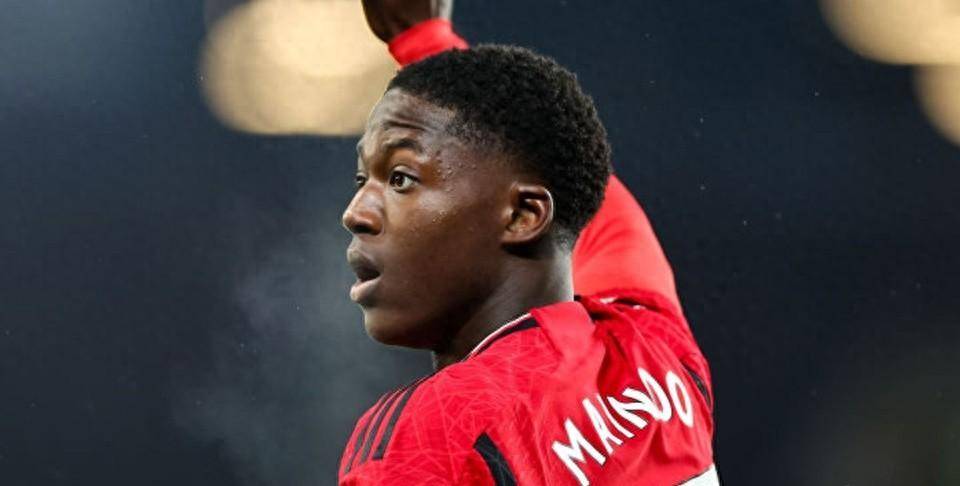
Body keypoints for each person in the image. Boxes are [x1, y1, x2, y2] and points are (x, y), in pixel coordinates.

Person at [339, 1, 717, 484]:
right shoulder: (654, 353)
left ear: (523, 216)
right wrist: (425, 42)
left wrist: (423, 41)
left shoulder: (436, 435)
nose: (356, 213)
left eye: (400, 179)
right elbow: (587, 201)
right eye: (362, 180)